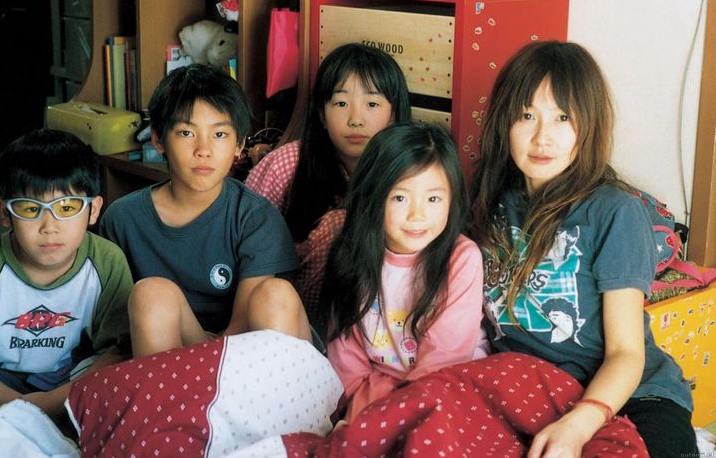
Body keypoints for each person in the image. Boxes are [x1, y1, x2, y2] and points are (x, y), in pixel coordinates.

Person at [467, 41, 696, 457]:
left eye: (563, 118)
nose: (542, 137)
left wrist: (579, 423)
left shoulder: (614, 211)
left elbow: (627, 353)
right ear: (504, 121)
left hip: (631, 394)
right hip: (530, 387)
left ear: (588, 126)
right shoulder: (489, 201)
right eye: (527, 116)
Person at [99, 64, 310, 357]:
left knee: (276, 295)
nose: (204, 149)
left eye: (220, 135)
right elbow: (115, 326)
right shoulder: (122, 219)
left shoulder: (255, 217)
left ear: (239, 144)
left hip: (247, 358)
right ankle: (170, 402)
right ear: (159, 139)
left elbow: (245, 326)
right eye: (186, 132)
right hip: (167, 359)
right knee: (152, 295)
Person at [321, 121, 489, 423]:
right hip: (375, 391)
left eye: (434, 199)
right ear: (374, 197)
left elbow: (444, 357)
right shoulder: (351, 251)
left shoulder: (462, 258)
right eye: (400, 198)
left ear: (452, 199)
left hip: (447, 387)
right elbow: (345, 355)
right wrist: (361, 408)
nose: (417, 215)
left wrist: (400, 412)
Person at [245, 43, 412, 321]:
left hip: (376, 325)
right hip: (280, 312)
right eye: (341, 103)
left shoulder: (411, 171)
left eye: (372, 104)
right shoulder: (287, 163)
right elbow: (244, 239)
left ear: (393, 114)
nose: (356, 120)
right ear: (322, 114)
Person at [0, 128, 132, 420]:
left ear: (94, 210)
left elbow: (117, 351)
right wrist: (18, 405)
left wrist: (51, 402)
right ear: (4, 212)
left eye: (67, 207)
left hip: (72, 381)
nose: (49, 226)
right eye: (29, 208)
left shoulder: (107, 261)